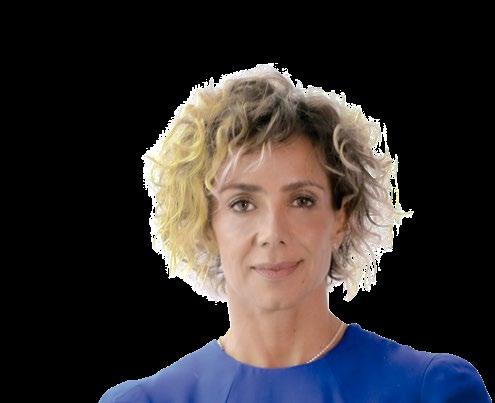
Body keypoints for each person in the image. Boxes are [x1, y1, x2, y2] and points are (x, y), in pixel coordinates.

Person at [99, 64, 491, 402]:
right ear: (206, 223)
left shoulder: (430, 392)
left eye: (302, 200)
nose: (273, 233)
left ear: (341, 217)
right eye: (242, 204)